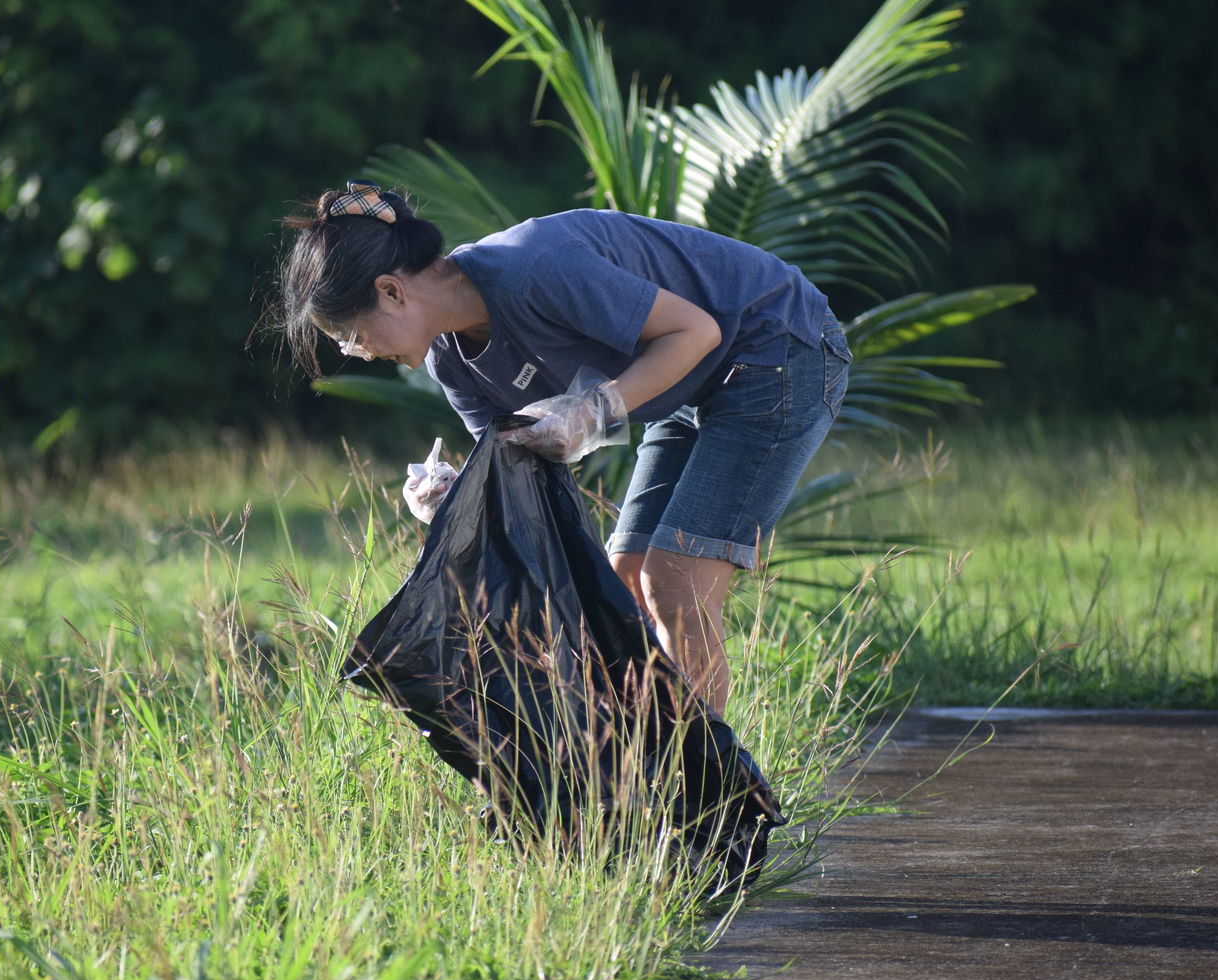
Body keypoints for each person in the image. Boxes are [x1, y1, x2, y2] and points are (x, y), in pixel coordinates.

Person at [277, 181, 851, 712]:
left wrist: (595, 410)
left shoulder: (533, 268)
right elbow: (518, 479)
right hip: (689, 390)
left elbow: (698, 332)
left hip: (777, 346)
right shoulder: (448, 362)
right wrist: (453, 503)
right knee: (622, 582)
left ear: (391, 291)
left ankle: (706, 800)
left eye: (351, 338)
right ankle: (641, 776)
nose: (361, 353)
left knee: (675, 584)